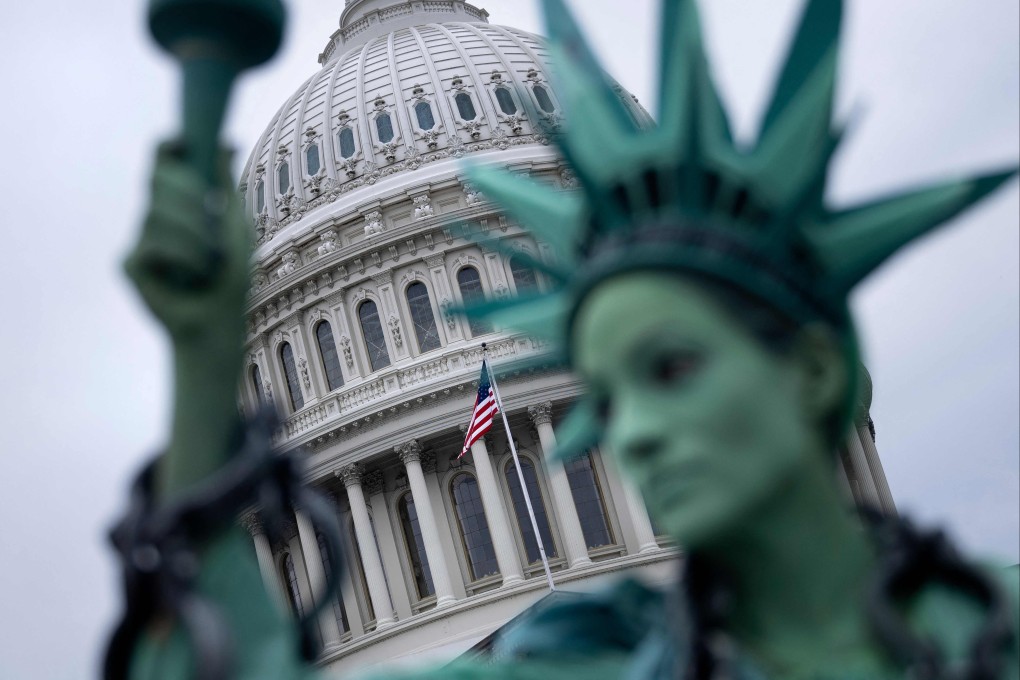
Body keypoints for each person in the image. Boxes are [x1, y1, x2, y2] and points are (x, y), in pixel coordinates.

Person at [107, 0, 1017, 678]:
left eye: (673, 365)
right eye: (610, 398)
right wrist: (203, 360)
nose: (636, 433)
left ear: (814, 369)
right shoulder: (580, 661)